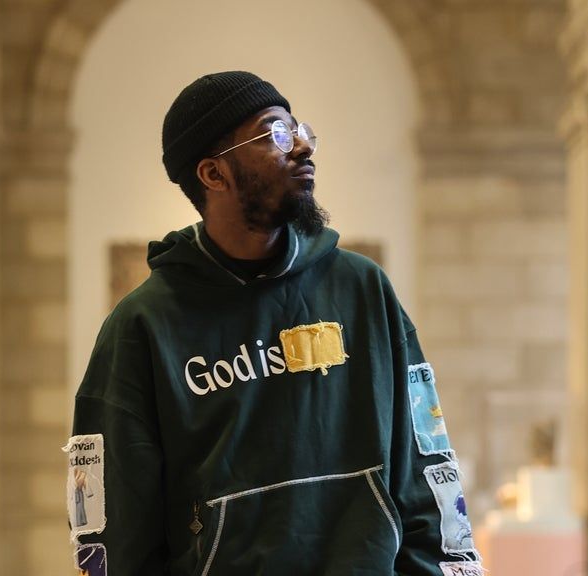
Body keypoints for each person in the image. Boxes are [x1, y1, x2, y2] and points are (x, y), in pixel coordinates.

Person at [67, 71, 485, 576]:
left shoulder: (363, 289)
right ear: (213, 174)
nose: (303, 147)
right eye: (276, 135)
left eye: (299, 130)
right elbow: (116, 531)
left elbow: (427, 465)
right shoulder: (142, 326)